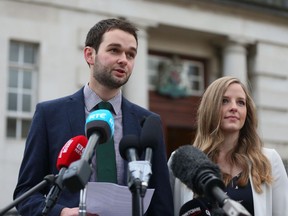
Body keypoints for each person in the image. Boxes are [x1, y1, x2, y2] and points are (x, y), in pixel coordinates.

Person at [14, 18, 174, 216]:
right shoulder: (49, 115)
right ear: (90, 54)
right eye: (114, 50)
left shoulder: (148, 123)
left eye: (130, 54)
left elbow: (163, 204)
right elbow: (26, 194)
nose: (124, 59)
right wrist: (62, 213)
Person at [168, 76, 288, 216]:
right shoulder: (181, 161)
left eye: (241, 103)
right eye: (224, 101)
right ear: (210, 108)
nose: (233, 108)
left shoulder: (269, 160)